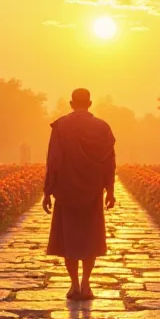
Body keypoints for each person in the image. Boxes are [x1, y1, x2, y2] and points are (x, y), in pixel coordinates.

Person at [42, 89, 116, 300]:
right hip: (93, 192)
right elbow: (109, 161)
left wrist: (48, 192)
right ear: (90, 103)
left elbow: (53, 160)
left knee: (69, 241)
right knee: (90, 238)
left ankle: (74, 285)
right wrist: (110, 190)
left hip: (66, 191)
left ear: (71, 103)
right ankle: (86, 284)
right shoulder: (102, 127)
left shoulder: (61, 126)